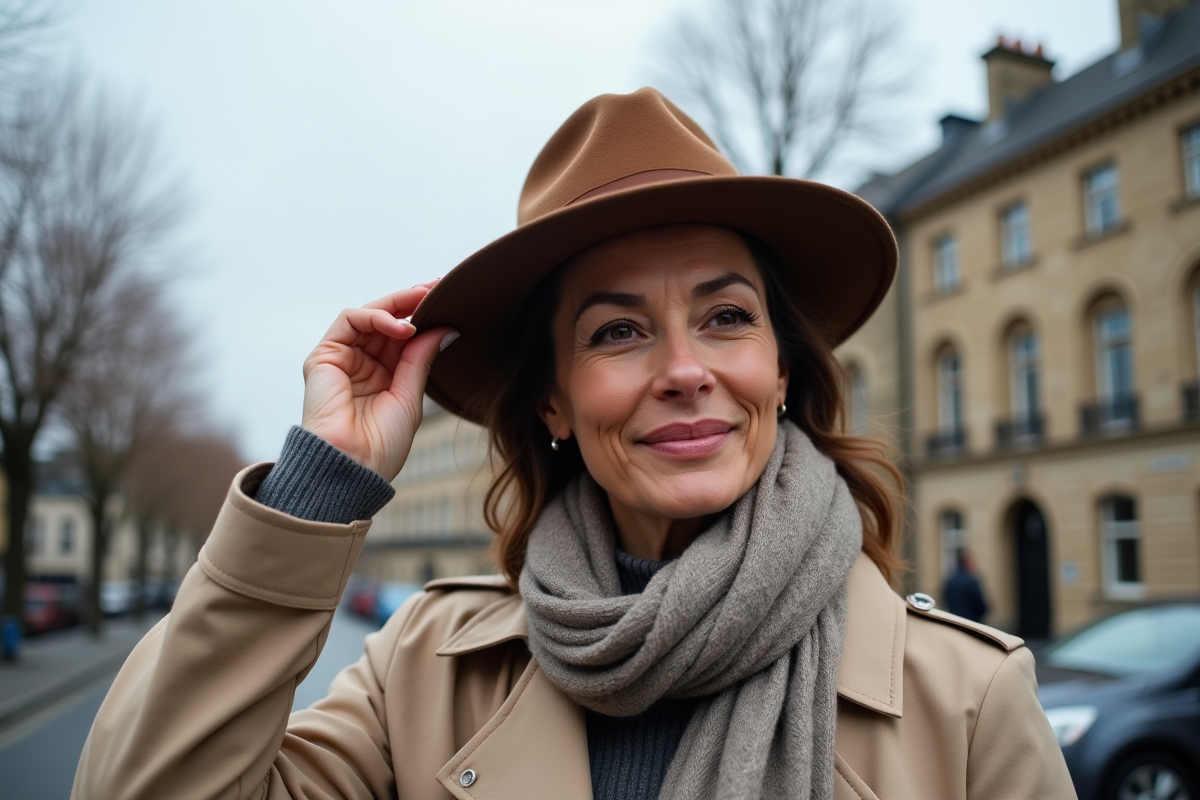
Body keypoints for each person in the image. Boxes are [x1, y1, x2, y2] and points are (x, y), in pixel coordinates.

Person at [72, 89, 1075, 800]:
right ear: (552, 400)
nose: (685, 367)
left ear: (783, 371)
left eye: (727, 316)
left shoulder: (969, 698)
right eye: (619, 330)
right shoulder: (425, 671)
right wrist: (315, 486)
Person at [944, 550, 990, 623]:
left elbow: (944, 599)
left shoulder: (950, 580)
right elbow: (981, 606)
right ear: (967, 563)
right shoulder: (971, 581)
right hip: (970, 623)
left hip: (954, 622)